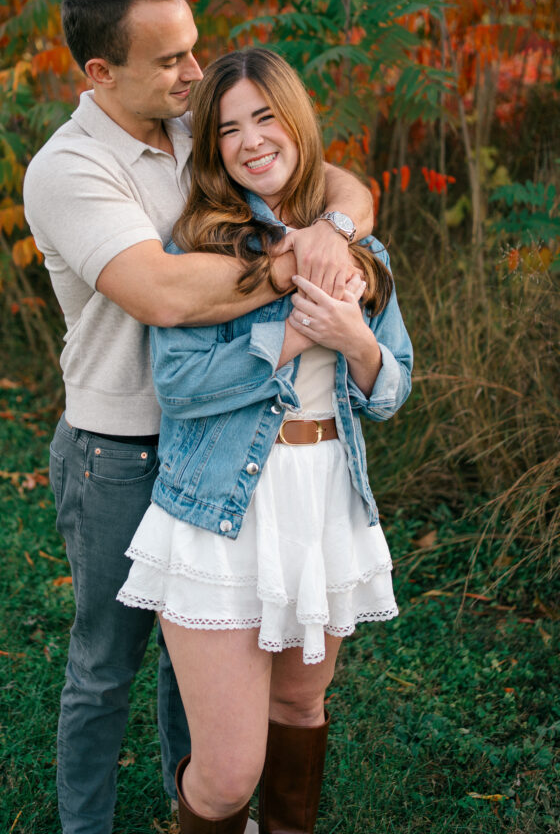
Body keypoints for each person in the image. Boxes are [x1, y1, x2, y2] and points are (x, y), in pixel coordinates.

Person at [23, 0, 374, 834]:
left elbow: (326, 178)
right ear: (100, 73)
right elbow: (166, 295)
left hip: (224, 440)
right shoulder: (68, 169)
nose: (192, 74)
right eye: (170, 60)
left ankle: (203, 803)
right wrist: (305, 265)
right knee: (107, 664)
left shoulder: (191, 131)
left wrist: (337, 222)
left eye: (193, 50)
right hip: (120, 447)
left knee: (203, 657)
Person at [117, 47, 413, 834]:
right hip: (222, 506)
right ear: (213, 149)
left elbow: (390, 391)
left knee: (301, 703)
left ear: (298, 121)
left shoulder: (360, 252)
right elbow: (180, 387)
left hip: (323, 501)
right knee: (226, 774)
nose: (251, 140)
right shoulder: (201, 249)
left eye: (265, 117)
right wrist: (288, 336)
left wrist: (353, 338)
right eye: (228, 129)